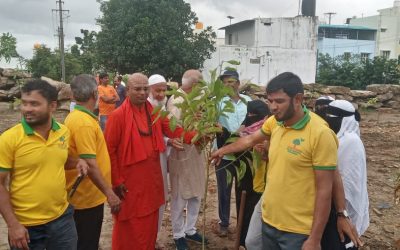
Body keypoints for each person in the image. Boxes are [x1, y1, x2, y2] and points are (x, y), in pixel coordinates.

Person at [212, 72, 339, 250]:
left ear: (298, 99)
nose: (272, 107)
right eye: (270, 101)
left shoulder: (320, 134)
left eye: (279, 101)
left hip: (297, 228)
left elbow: (325, 189)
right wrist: (222, 151)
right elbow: (249, 140)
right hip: (269, 219)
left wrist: (315, 238)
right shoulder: (275, 123)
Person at [104, 73, 197, 250]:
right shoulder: (117, 116)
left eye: (145, 89)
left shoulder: (155, 112)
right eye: (137, 89)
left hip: (151, 181)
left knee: (150, 225)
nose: (141, 92)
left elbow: (174, 130)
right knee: (129, 226)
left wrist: (199, 134)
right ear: (127, 91)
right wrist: (116, 181)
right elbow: (110, 151)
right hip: (129, 184)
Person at [0, 79, 87, 250]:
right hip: (26, 226)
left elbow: (60, 160)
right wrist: (13, 225)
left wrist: (78, 162)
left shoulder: (63, 131)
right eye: (24, 103)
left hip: (62, 219)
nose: (27, 109)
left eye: (34, 104)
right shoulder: (9, 139)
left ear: (52, 106)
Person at [65, 74, 121, 250]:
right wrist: (109, 193)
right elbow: (90, 164)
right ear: (94, 93)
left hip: (87, 194)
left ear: (73, 96)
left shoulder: (80, 117)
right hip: (86, 197)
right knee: (86, 242)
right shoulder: (84, 123)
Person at [216, 99, 270, 248]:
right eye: (250, 113)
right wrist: (223, 132)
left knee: (257, 214)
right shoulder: (246, 127)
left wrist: (264, 151)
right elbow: (236, 140)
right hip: (245, 177)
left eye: (255, 114)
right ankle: (242, 241)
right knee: (243, 209)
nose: (251, 116)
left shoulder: (268, 128)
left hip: (262, 180)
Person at [166, 69, 208, 250]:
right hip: (182, 153)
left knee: (196, 193)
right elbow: (174, 128)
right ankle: (178, 233)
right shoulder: (178, 100)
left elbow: (203, 120)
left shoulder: (198, 99)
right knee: (180, 195)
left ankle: (190, 228)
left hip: (197, 154)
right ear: (195, 84)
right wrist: (196, 133)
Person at [214, 70, 252, 237]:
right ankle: (224, 223)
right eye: (224, 83)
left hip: (245, 154)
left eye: (230, 82)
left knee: (243, 190)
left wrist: (241, 134)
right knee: (224, 190)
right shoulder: (218, 103)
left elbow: (254, 122)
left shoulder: (248, 101)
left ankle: (242, 225)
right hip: (224, 154)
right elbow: (212, 123)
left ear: (237, 83)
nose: (227, 85)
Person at [325, 100, 369, 237]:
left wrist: (342, 211)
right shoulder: (338, 139)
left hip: (343, 206)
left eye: (332, 118)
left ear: (344, 120)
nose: (328, 121)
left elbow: (348, 180)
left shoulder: (351, 142)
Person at [147, 73, 179, 249]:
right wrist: (168, 140)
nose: (160, 94)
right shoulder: (147, 108)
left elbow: (168, 129)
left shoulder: (161, 108)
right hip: (148, 162)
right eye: (157, 90)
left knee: (161, 198)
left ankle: (154, 237)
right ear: (149, 90)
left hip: (160, 158)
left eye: (163, 90)